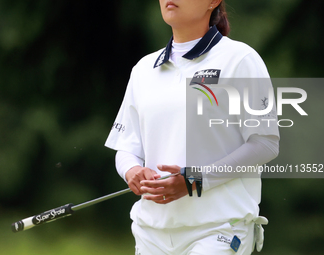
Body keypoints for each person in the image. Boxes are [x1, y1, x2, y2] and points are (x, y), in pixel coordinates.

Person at [105, 0, 280, 254]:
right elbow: (126, 147)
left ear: (213, 2)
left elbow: (265, 143)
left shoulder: (241, 59)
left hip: (219, 228)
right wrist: (131, 170)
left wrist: (195, 180)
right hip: (151, 233)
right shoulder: (143, 70)